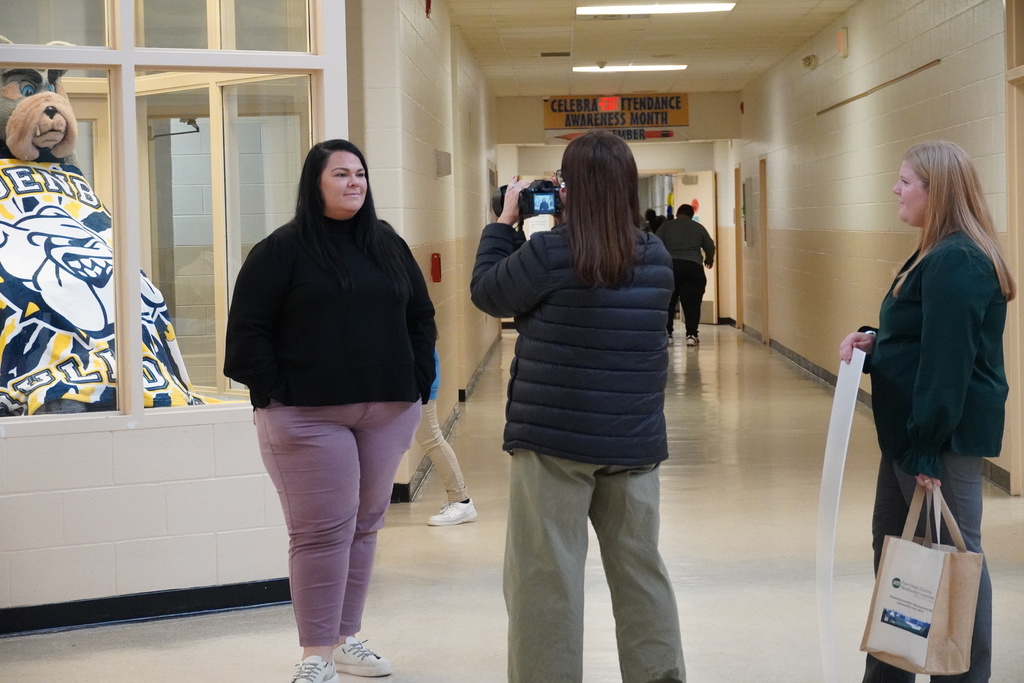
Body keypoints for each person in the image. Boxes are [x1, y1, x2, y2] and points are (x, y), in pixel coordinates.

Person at [471, 130, 686, 683]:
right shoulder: (655, 254)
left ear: (570, 190)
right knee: (642, 575)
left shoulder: (549, 252)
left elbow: (489, 293)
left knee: (547, 579)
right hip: (632, 443)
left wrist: (503, 226)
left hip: (554, 443)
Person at [224, 139, 436, 683]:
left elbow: (420, 315)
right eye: (341, 174)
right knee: (321, 532)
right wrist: (275, 391)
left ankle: (347, 638)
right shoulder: (283, 249)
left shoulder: (385, 243)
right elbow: (247, 332)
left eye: (360, 173)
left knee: (365, 526)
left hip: (387, 409)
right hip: (308, 416)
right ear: (314, 183)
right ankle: (315, 654)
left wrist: (416, 384)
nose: (354, 183)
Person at [839, 140, 1014, 683]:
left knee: (954, 561)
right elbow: (920, 338)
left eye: (906, 180)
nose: (896, 189)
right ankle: (891, 669)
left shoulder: (957, 259)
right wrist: (876, 342)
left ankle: (962, 672)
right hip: (909, 436)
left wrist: (924, 445)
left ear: (936, 191)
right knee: (897, 555)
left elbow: (947, 364)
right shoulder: (933, 253)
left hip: (939, 440)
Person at [418, 347, 478, 525]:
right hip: (417, 377)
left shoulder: (414, 322)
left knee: (431, 438)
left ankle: (461, 500)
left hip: (419, 380)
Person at [655, 203, 715, 346]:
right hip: (692, 267)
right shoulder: (698, 227)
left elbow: (656, 244)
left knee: (668, 302)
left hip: (670, 267)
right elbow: (710, 245)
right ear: (691, 215)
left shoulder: (666, 227)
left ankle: (668, 333)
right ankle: (691, 335)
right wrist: (708, 259)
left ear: (677, 214)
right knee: (692, 303)